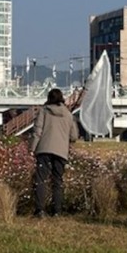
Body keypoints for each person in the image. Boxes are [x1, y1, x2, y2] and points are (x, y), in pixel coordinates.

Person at [30, 88, 79, 218]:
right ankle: (57, 211)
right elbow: (74, 136)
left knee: (41, 180)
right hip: (61, 152)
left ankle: (40, 210)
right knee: (58, 181)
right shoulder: (68, 115)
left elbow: (37, 132)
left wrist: (32, 149)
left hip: (44, 150)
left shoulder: (44, 111)